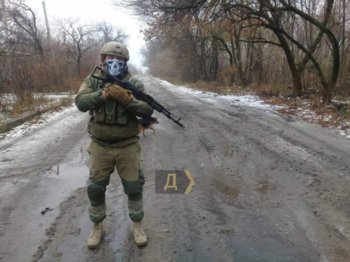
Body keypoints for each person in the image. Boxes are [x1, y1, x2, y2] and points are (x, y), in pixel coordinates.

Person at [75, 41, 153, 249]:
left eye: (119, 60)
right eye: (111, 59)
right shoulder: (94, 80)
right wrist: (102, 95)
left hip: (127, 145)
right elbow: (80, 102)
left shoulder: (134, 83)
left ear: (125, 62)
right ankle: (97, 226)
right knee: (96, 188)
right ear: (103, 60)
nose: (115, 62)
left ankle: (137, 225)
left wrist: (128, 100)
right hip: (100, 145)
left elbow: (147, 110)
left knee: (134, 187)